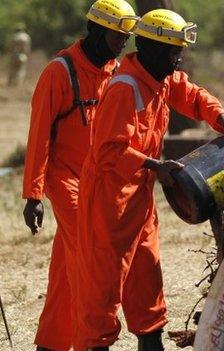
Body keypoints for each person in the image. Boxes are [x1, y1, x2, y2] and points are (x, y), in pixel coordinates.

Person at [72, 9, 224, 351]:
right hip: (107, 207)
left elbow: (193, 95)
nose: (178, 58)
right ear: (150, 48)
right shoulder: (125, 88)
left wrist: (220, 117)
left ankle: (151, 342)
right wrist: (155, 166)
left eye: (180, 51)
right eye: (173, 51)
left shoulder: (161, 79)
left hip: (139, 201)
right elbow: (108, 152)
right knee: (102, 296)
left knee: (146, 285)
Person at [20, 1, 138, 350]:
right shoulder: (59, 71)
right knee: (93, 260)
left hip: (98, 183)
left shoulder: (116, 71)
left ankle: (51, 344)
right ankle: (94, 342)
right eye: (117, 36)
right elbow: (39, 135)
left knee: (67, 271)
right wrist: (33, 194)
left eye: (126, 37)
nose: (122, 44)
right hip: (66, 181)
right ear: (97, 31)